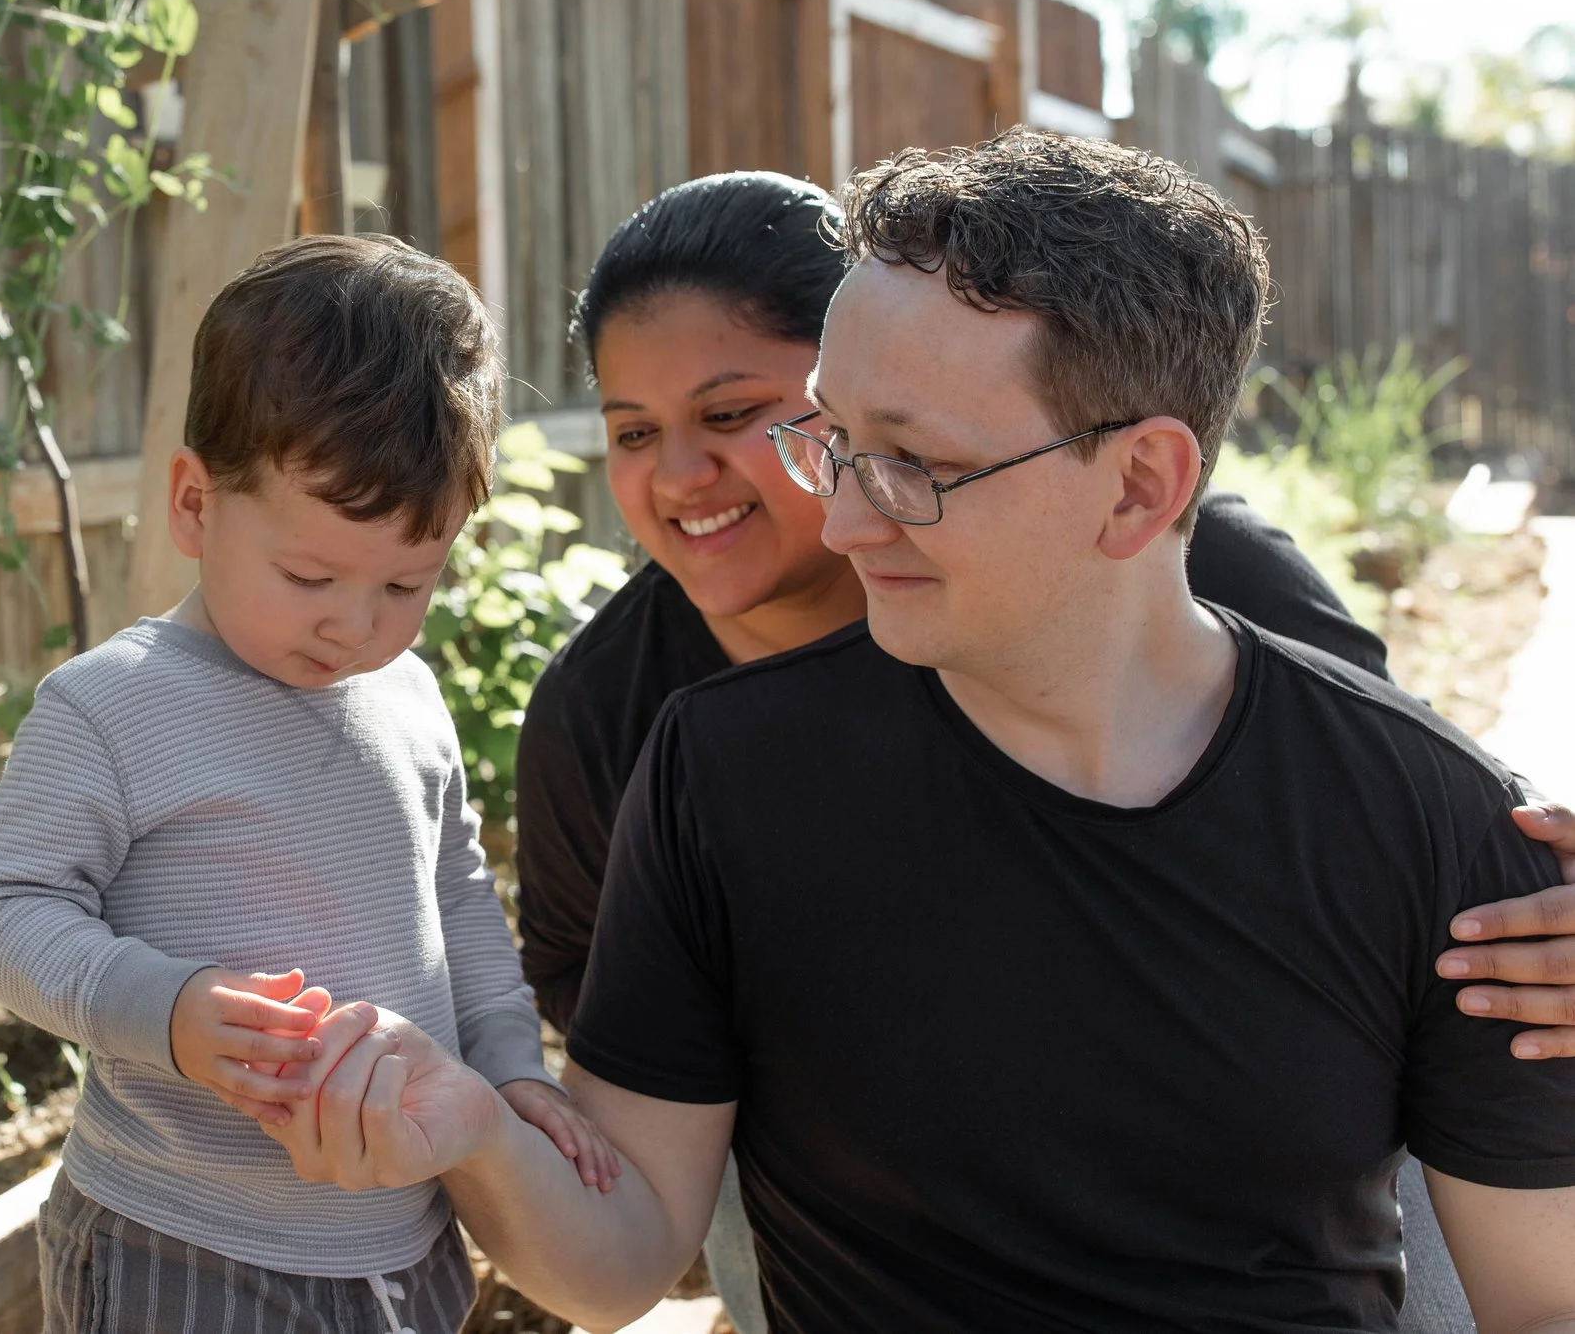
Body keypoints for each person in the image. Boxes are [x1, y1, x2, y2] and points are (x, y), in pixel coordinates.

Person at [263, 134, 1575, 1334]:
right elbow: (620, 1256)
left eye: (911, 465)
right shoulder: (710, 765)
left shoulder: (1432, 822)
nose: (839, 519)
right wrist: (473, 1132)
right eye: (833, 440)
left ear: (1141, 485)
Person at [0, 235, 614, 1334]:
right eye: (310, 574)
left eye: (409, 580)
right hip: (185, 1245)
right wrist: (163, 1010)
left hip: (405, 1238)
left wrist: (508, 1068)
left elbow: (457, 898)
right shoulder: (112, 703)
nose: (356, 624)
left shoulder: (405, 695)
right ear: (195, 504)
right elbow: (3, 909)